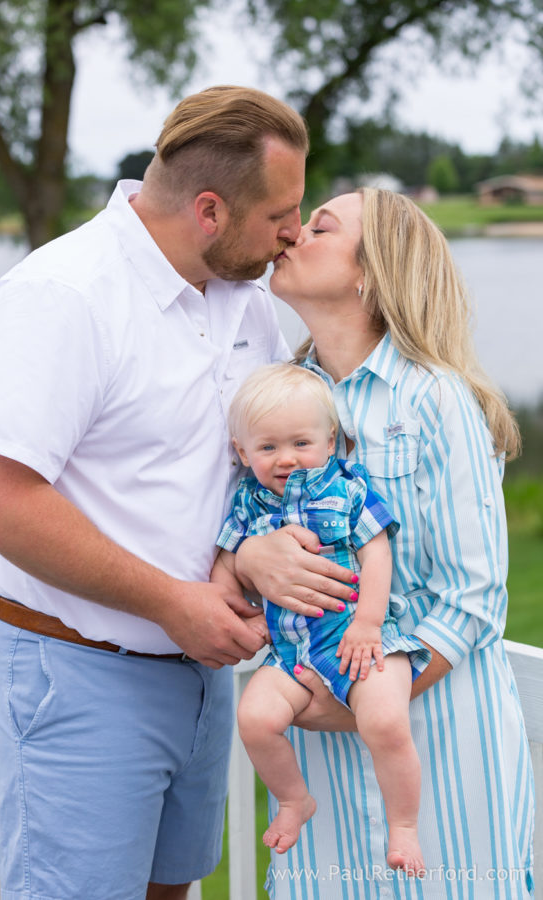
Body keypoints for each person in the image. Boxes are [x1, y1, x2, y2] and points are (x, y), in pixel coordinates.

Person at [0, 85, 359, 900]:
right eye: (280, 211)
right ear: (209, 210)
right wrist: (172, 602)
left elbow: (247, 466)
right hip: (75, 670)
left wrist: (245, 553)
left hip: (200, 673)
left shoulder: (247, 303)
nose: (293, 229)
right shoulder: (64, 296)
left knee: (172, 891)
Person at [235, 189, 535, 898]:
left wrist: (361, 707)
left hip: (437, 742)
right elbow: (240, 529)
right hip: (319, 769)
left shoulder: (436, 399)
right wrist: (249, 561)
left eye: (319, 227)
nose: (290, 234)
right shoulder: (280, 402)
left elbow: (473, 596)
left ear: (371, 271)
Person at [212, 362, 431, 872]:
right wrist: (242, 615)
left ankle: (404, 825)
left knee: (385, 721)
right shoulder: (247, 502)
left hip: (355, 639)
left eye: (300, 443)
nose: (285, 458)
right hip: (289, 651)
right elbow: (225, 563)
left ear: (330, 441)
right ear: (243, 452)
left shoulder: (347, 488)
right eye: (267, 448)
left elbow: (377, 554)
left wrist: (369, 624)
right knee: (255, 718)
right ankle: (293, 800)